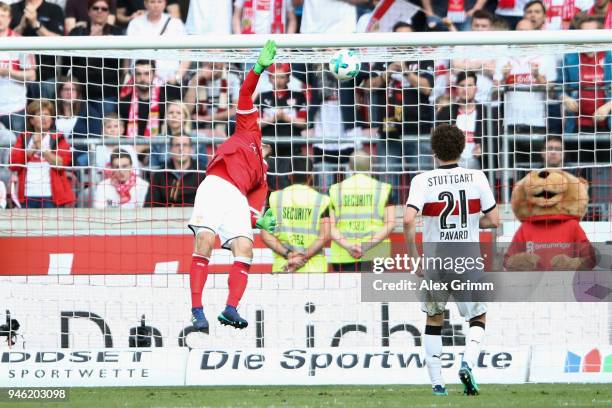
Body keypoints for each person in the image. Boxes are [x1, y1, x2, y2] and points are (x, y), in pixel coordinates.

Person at [186, 40, 278, 331]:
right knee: (205, 241)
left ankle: (230, 309)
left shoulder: (262, 179)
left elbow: (251, 210)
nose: (265, 148)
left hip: (237, 197)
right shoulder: (248, 131)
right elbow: (245, 92)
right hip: (216, 185)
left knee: (245, 247)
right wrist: (258, 68)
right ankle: (197, 310)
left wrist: (260, 219)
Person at [403, 124, 499, 397]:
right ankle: (467, 363)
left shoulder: (422, 180)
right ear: (463, 148)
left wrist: (415, 259)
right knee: (478, 316)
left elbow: (409, 220)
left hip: (435, 261)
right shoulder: (477, 177)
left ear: (433, 151)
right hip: (467, 259)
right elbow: (494, 220)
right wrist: (469, 221)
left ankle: (437, 384)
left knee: (435, 318)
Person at [328, 152, 396, 272]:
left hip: (343, 255)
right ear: (370, 166)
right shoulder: (384, 189)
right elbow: (390, 224)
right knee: (373, 291)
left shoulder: (334, 189)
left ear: (349, 167)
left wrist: (349, 246)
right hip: (376, 254)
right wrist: (365, 246)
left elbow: (330, 228)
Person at [261, 156, 331, 273]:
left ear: (289, 175)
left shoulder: (275, 197)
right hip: (315, 269)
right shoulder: (322, 200)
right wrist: (303, 257)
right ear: (311, 176)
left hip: (283, 267)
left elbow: (265, 234)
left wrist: (289, 255)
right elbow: (325, 234)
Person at [68, 0, 123, 139]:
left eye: (104, 9)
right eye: (96, 8)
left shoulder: (117, 33)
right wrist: (92, 39)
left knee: (106, 134)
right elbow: (70, 62)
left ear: (108, 13)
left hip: (106, 94)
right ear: (89, 11)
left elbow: (117, 64)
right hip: (80, 96)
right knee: (79, 135)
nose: (100, 11)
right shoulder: (77, 32)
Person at [9, 99, 75, 208]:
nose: (44, 118)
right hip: (27, 195)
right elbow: (13, 164)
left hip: (51, 196)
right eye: (40, 115)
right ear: (31, 120)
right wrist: (33, 147)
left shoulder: (58, 138)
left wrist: (41, 147)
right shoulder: (24, 137)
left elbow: (61, 164)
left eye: (47, 114)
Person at [257, 62, 308, 190]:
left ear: (288, 78)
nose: (277, 81)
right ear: (269, 78)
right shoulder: (262, 97)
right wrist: (272, 118)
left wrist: (285, 118)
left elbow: (304, 123)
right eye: (274, 77)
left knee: (292, 188)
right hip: (269, 151)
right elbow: (254, 124)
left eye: (281, 77)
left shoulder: (298, 96)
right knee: (268, 188)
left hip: (292, 151)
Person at [125, 0, 188, 90]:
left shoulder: (176, 23)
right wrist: (126, 74)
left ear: (165, 3)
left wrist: (177, 77)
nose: (156, 5)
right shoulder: (135, 24)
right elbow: (127, 54)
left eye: (159, 1)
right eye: (152, 2)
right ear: (145, 4)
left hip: (169, 82)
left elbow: (186, 51)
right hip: (141, 82)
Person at [10, 0, 64, 99]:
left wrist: (35, 24)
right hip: (16, 77)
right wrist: (21, 26)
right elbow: (6, 38)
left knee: (45, 113)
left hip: (46, 77)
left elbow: (59, 42)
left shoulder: (54, 9)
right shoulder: (12, 9)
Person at [437, 71, 487, 169]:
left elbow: (495, 141)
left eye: (469, 85)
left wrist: (483, 148)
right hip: (451, 169)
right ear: (456, 89)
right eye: (462, 85)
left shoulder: (487, 113)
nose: (465, 89)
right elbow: (438, 143)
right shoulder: (445, 113)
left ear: (476, 88)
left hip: (480, 168)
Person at [0, 1, 35, 134]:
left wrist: (7, 72)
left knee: (16, 152)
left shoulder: (20, 42)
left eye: (3, 16)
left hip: (14, 108)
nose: (0, 19)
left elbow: (31, 75)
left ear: (9, 19)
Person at [145, 134, 204, 207]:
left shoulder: (203, 173)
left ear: (191, 150)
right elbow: (149, 205)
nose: (181, 149)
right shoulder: (160, 174)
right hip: (166, 217)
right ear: (170, 150)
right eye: (177, 145)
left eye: (185, 145)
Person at [119, 59, 166, 138]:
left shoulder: (164, 101)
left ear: (154, 75)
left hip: (156, 148)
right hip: (130, 147)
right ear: (134, 76)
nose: (142, 78)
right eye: (138, 74)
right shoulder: (124, 102)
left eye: (147, 74)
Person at [232, 0, 297, 34]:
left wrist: (288, 47)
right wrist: (241, 44)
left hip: (275, 46)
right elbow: (236, 16)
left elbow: (292, 20)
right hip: (249, 45)